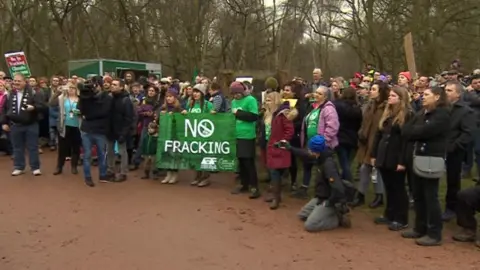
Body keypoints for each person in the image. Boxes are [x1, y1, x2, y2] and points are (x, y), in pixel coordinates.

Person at [401, 86, 450, 246]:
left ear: (437, 97)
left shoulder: (442, 114)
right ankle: (419, 228)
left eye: (427, 95)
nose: (423, 97)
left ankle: (434, 233)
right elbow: (406, 131)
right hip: (417, 158)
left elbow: (426, 131)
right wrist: (417, 131)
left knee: (431, 196)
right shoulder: (421, 113)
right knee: (418, 195)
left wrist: (417, 131)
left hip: (432, 159)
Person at [281, 135, 351, 232]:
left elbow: (338, 188)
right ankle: (323, 212)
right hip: (320, 197)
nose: (308, 151)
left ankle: (337, 218)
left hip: (330, 200)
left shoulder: (328, 164)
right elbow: (305, 154)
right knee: (302, 215)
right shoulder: (319, 156)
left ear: (316, 151)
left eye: (310, 149)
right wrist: (290, 148)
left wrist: (329, 202)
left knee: (310, 225)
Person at [371, 86, 413, 231]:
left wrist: (402, 161)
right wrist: (373, 154)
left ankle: (401, 218)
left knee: (399, 188)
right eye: (390, 95)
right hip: (384, 155)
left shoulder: (407, 115)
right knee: (388, 187)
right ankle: (389, 214)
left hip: (397, 156)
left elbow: (406, 141)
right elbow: (378, 135)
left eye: (393, 96)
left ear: (401, 99)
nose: (389, 97)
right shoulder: (386, 113)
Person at [293, 85, 339, 199]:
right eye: (316, 93)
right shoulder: (313, 107)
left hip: (322, 145)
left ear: (325, 96)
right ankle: (304, 188)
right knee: (307, 164)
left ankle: (323, 192)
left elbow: (332, 127)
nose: (316, 95)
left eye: (320, 94)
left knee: (321, 168)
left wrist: (323, 141)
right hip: (310, 142)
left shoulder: (329, 109)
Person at [351, 81, 389, 208]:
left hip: (378, 143)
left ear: (381, 92)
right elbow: (364, 122)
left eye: (374, 89)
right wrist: (361, 133)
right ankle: (361, 195)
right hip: (366, 142)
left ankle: (379, 196)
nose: (371, 91)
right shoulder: (370, 105)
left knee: (376, 170)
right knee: (364, 169)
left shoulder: (386, 108)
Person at [1, 73, 46, 176]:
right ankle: (19, 167)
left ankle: (35, 167)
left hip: (31, 124)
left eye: (18, 81)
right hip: (15, 125)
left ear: (24, 82)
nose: (16, 83)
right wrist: (4, 122)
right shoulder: (9, 94)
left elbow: (43, 106)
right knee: (17, 147)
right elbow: (3, 109)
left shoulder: (34, 93)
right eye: (15, 81)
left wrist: (33, 107)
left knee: (33, 147)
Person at [442, 81, 474, 221]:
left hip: (454, 151)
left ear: (458, 94)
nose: (446, 93)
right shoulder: (442, 108)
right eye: (445, 90)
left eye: (449, 90)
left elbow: (468, 133)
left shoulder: (466, 111)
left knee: (452, 180)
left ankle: (451, 208)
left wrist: (454, 146)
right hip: (439, 148)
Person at [77, 77, 112, 187]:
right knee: (87, 155)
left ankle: (103, 174)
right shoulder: (85, 96)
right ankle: (88, 177)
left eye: (95, 85)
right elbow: (80, 109)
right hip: (86, 130)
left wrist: (89, 115)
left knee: (102, 154)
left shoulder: (107, 97)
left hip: (100, 130)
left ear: (100, 86)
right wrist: (85, 97)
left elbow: (103, 112)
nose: (93, 88)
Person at [264, 93, 296, 209]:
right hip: (271, 146)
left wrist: (282, 142)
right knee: (274, 172)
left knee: (275, 172)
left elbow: (290, 130)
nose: (267, 103)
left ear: (275, 101)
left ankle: (276, 198)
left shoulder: (282, 115)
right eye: (266, 100)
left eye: (269, 100)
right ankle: (275, 195)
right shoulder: (270, 114)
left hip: (278, 147)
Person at [230, 81, 261, 198]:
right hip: (237, 135)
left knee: (248, 162)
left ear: (242, 91)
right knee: (241, 162)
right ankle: (244, 184)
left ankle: (255, 187)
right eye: (233, 94)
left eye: (237, 93)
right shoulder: (233, 102)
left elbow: (254, 116)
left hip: (247, 135)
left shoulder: (250, 100)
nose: (235, 96)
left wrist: (238, 113)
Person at [182, 83, 214, 187]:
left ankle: (206, 177)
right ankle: (197, 176)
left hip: (204, 134)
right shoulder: (190, 104)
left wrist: (212, 114)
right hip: (193, 134)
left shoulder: (207, 104)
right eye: (194, 92)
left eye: (198, 92)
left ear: (202, 94)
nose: (195, 94)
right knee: (195, 157)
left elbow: (213, 119)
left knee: (204, 156)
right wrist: (184, 113)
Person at [105, 79, 134, 182]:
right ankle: (110, 170)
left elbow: (129, 118)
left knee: (122, 152)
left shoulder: (126, 100)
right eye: (112, 84)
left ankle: (123, 172)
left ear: (121, 87)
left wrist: (124, 133)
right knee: (110, 151)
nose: (112, 86)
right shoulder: (109, 97)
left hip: (121, 130)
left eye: (115, 85)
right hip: (110, 129)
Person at [332, 87, 362, 183]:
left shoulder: (336, 105)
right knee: (347, 163)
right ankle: (344, 183)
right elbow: (358, 125)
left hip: (339, 137)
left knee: (344, 164)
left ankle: (348, 185)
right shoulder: (357, 109)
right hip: (352, 138)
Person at [51, 83, 82, 175]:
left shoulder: (80, 99)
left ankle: (74, 166)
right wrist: (58, 92)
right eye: (69, 88)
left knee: (76, 147)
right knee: (63, 148)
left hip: (77, 126)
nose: (71, 89)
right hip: (65, 126)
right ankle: (59, 167)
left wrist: (79, 112)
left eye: (73, 88)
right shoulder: (62, 98)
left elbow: (85, 111)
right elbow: (51, 103)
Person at [157, 87, 183, 183]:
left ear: (175, 98)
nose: (168, 98)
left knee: (174, 155)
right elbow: (157, 120)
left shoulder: (178, 108)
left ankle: (174, 174)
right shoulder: (163, 108)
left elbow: (183, 121)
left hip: (175, 135)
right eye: (167, 97)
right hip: (165, 135)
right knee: (167, 154)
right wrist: (161, 115)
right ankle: (168, 174)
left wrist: (182, 114)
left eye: (171, 97)